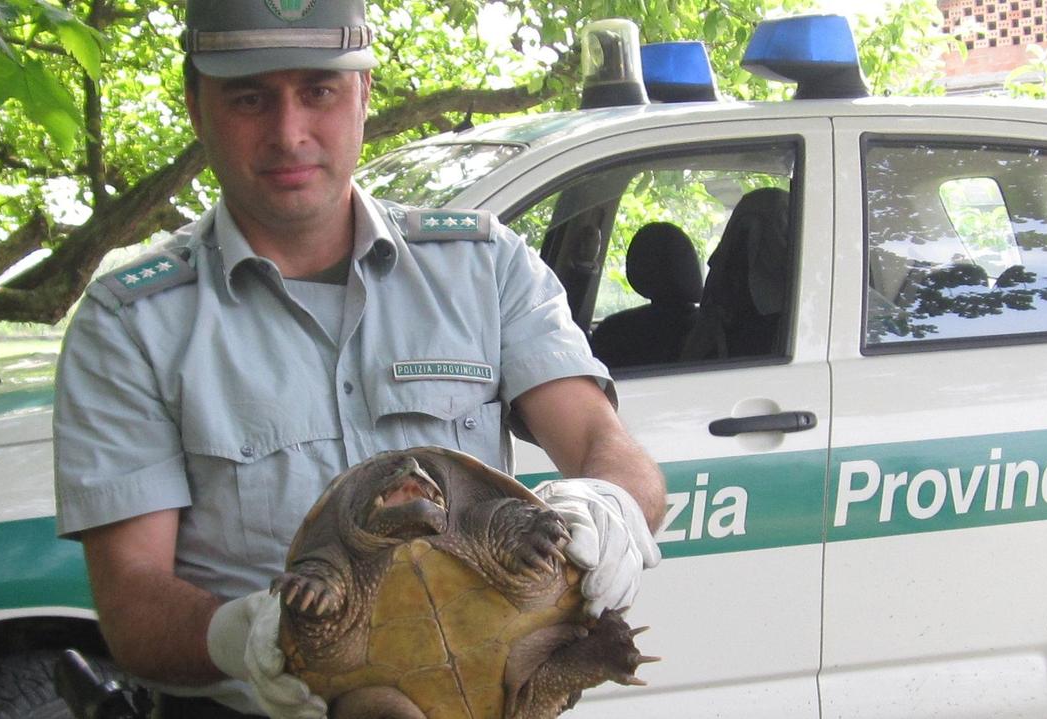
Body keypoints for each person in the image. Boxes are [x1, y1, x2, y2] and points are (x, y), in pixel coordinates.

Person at [51, 2, 665, 717]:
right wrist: (244, 636)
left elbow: (602, 442)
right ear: (195, 105)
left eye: (319, 90)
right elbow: (133, 606)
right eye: (249, 99)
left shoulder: (483, 265)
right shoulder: (128, 324)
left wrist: (611, 507)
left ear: (365, 92)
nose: (289, 133)